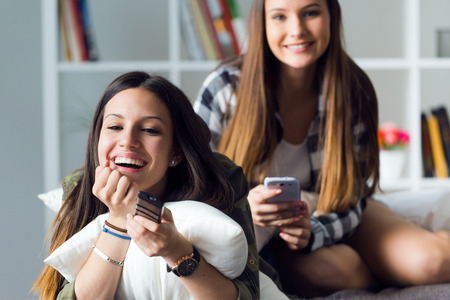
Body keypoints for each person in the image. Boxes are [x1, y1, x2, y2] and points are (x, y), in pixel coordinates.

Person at [194, 0, 450, 297]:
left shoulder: (352, 88)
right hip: (263, 226)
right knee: (334, 273)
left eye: (311, 13)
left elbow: (352, 198)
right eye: (279, 16)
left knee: (432, 263)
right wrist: (245, 210)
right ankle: (385, 266)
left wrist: (314, 231)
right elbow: (196, 185)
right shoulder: (224, 88)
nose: (297, 30)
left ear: (332, 16)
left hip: (336, 207)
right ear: (262, 24)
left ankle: (405, 251)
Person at [33, 71, 260, 299]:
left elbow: (249, 294)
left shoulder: (220, 178)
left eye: (150, 130)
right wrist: (119, 218)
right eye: (114, 127)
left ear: (176, 151)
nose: (128, 141)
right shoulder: (78, 188)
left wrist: (176, 251)